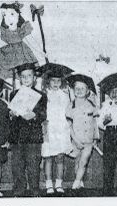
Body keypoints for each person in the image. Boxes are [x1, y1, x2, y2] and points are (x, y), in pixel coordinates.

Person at [9, 63, 47, 197]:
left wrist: (35, 115)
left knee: (33, 164)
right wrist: (12, 114)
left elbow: (44, 114)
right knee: (17, 165)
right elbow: (12, 113)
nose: (26, 79)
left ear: (34, 78)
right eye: (23, 76)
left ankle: (35, 190)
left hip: (33, 135)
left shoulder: (41, 95)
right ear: (19, 78)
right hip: (17, 135)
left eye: (29, 76)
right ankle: (19, 189)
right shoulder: (14, 94)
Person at [39, 64, 73, 195]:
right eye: (53, 80)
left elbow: (68, 113)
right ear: (48, 81)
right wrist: (44, 129)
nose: (55, 83)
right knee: (48, 158)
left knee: (60, 158)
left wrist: (68, 124)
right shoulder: (44, 95)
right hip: (49, 129)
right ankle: (49, 184)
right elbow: (42, 115)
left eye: (58, 81)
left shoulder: (64, 95)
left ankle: (59, 183)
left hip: (62, 130)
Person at [66, 74, 100, 191]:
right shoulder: (71, 105)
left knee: (84, 161)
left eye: (82, 88)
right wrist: (75, 140)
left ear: (88, 91)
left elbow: (95, 122)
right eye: (77, 88)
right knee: (78, 161)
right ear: (73, 91)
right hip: (76, 139)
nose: (79, 91)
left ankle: (76, 181)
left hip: (88, 140)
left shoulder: (92, 105)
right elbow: (68, 126)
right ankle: (79, 180)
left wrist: (95, 138)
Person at [0, 2, 37, 80]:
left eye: (12, 14)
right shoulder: (5, 31)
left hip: (21, 51)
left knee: (25, 70)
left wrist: (40, 51)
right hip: (8, 52)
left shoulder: (22, 29)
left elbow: (30, 41)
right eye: (5, 15)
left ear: (18, 15)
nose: (8, 18)